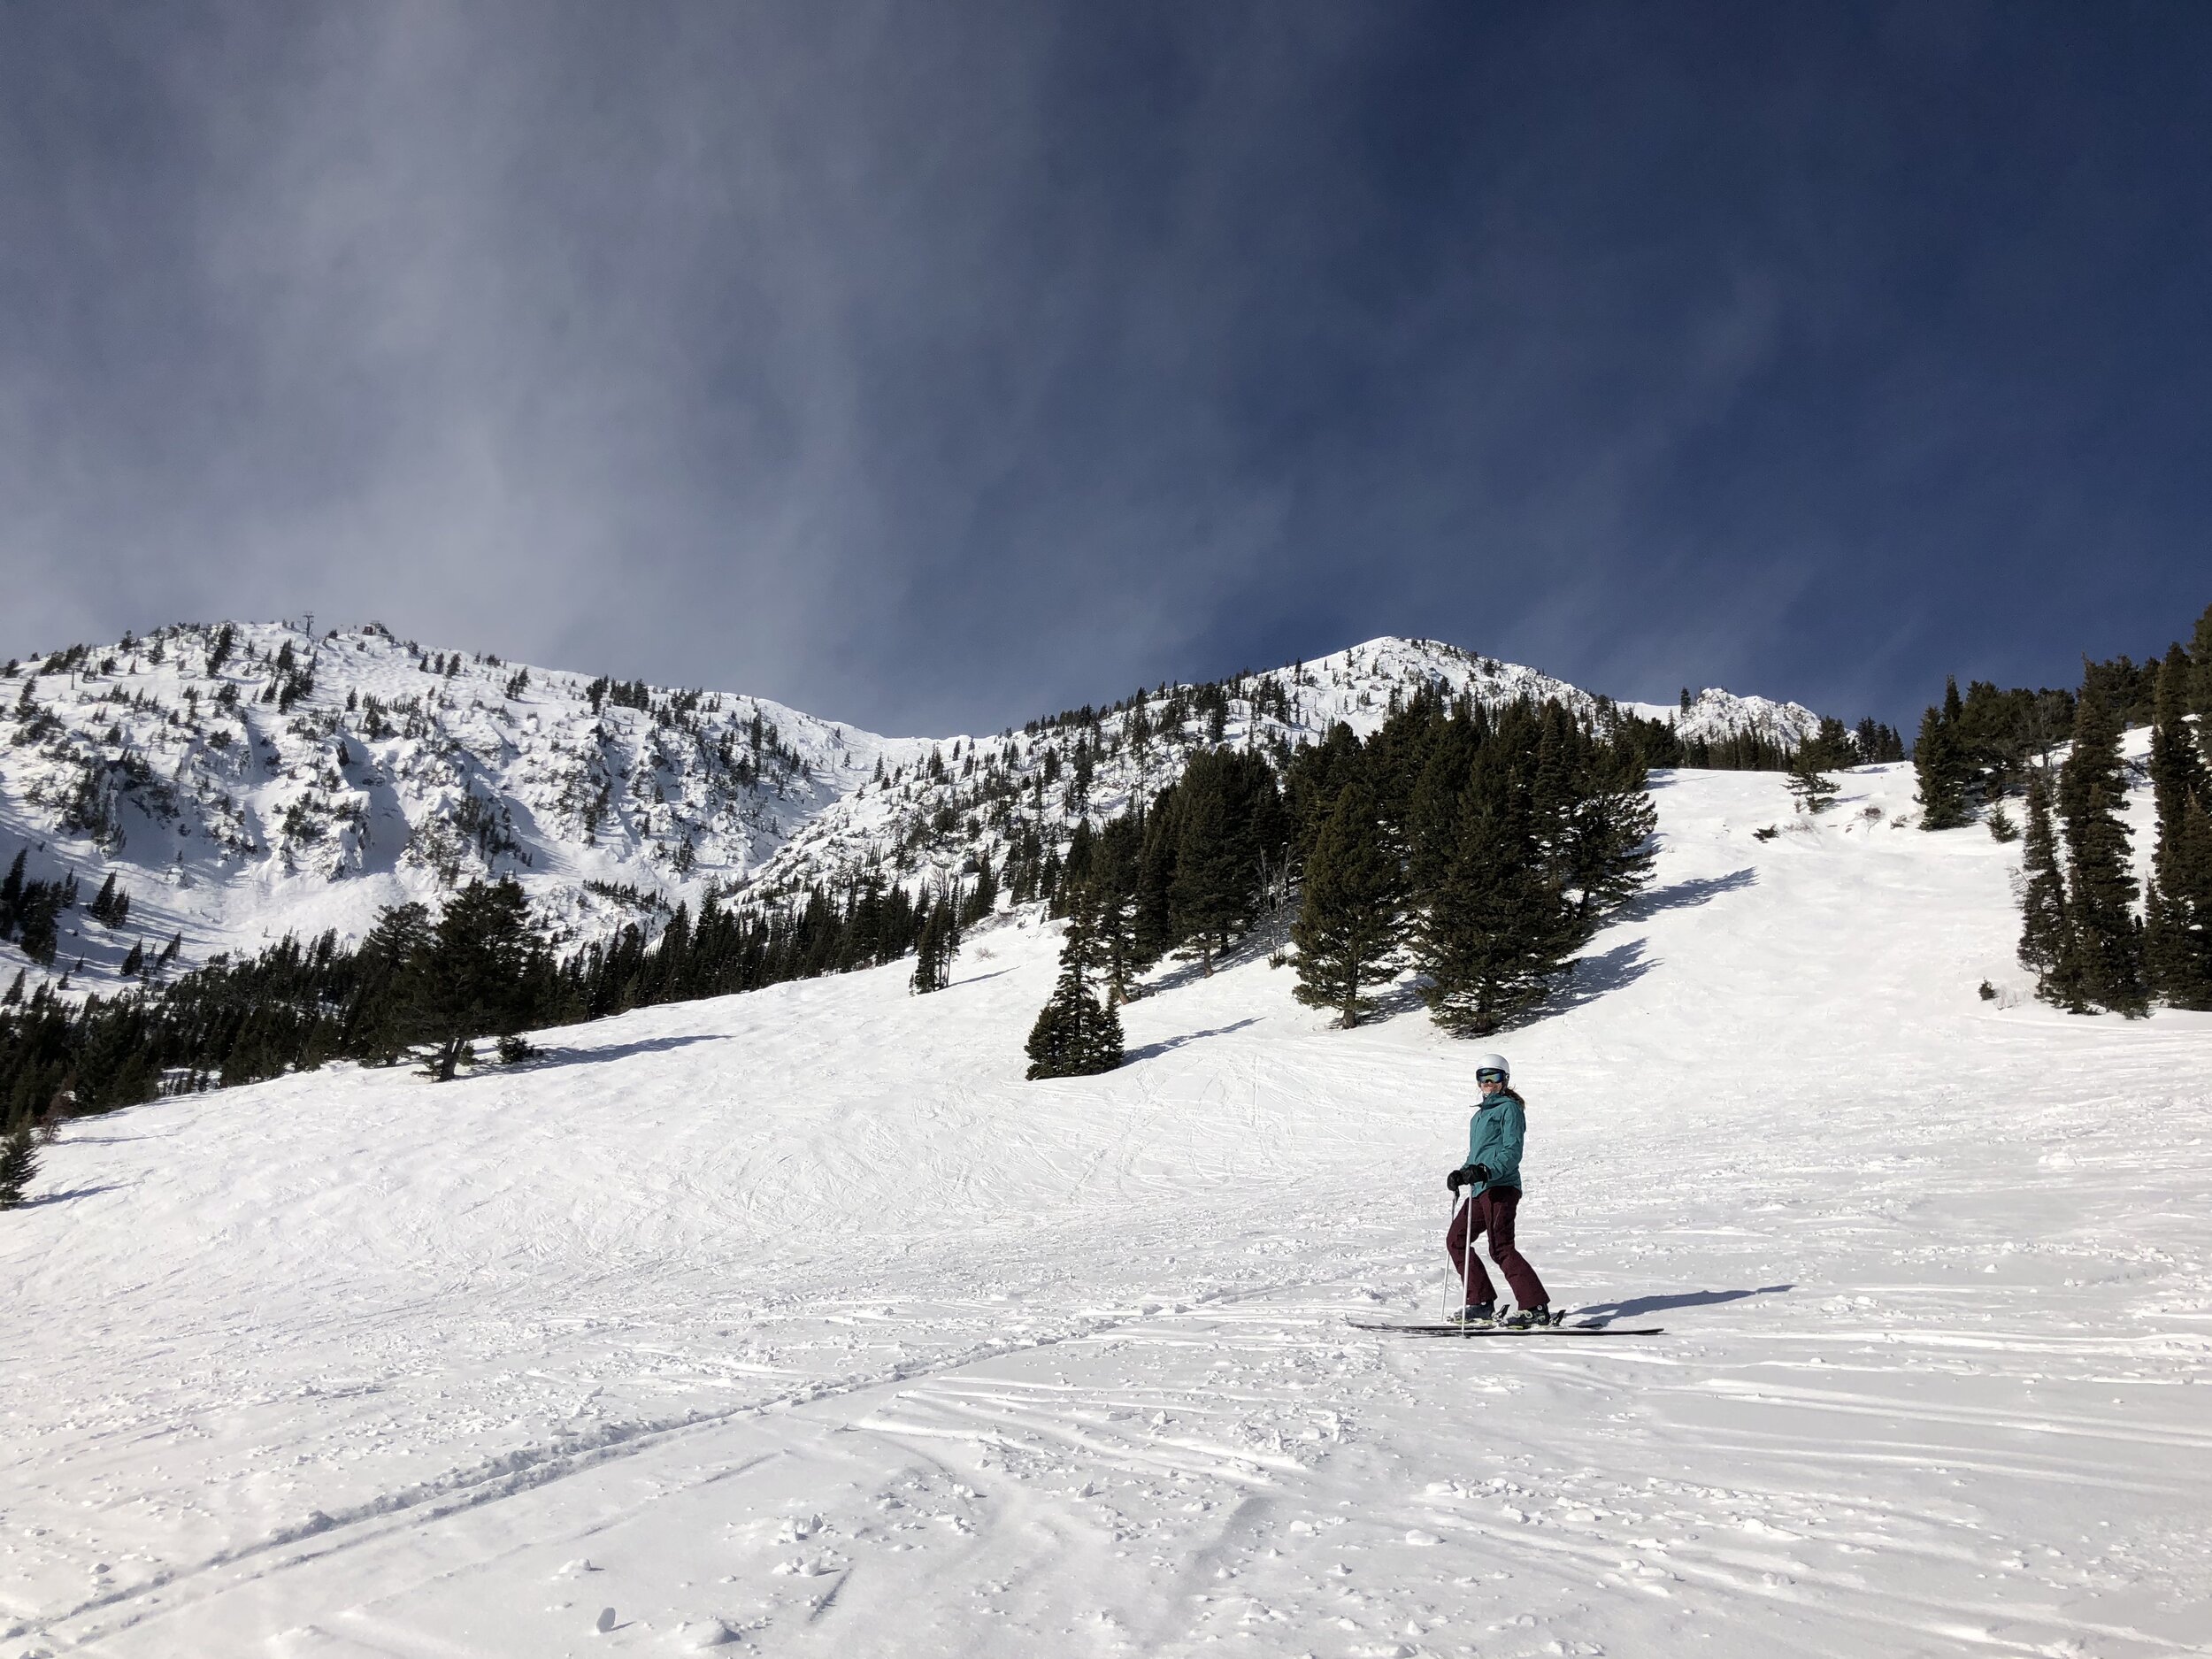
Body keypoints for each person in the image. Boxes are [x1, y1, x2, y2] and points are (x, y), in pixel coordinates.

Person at [1443, 1052, 1553, 1327]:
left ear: (1504, 1080)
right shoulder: (1479, 1116)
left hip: (1501, 1187)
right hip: (1481, 1190)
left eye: (1494, 1077)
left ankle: (1535, 1306)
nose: (1488, 1083)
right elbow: (1476, 1154)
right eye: (1483, 1078)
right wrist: (1463, 1172)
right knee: (1456, 1240)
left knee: (1501, 1247)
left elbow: (1511, 1151)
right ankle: (1480, 1302)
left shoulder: (1509, 1109)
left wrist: (1486, 1170)